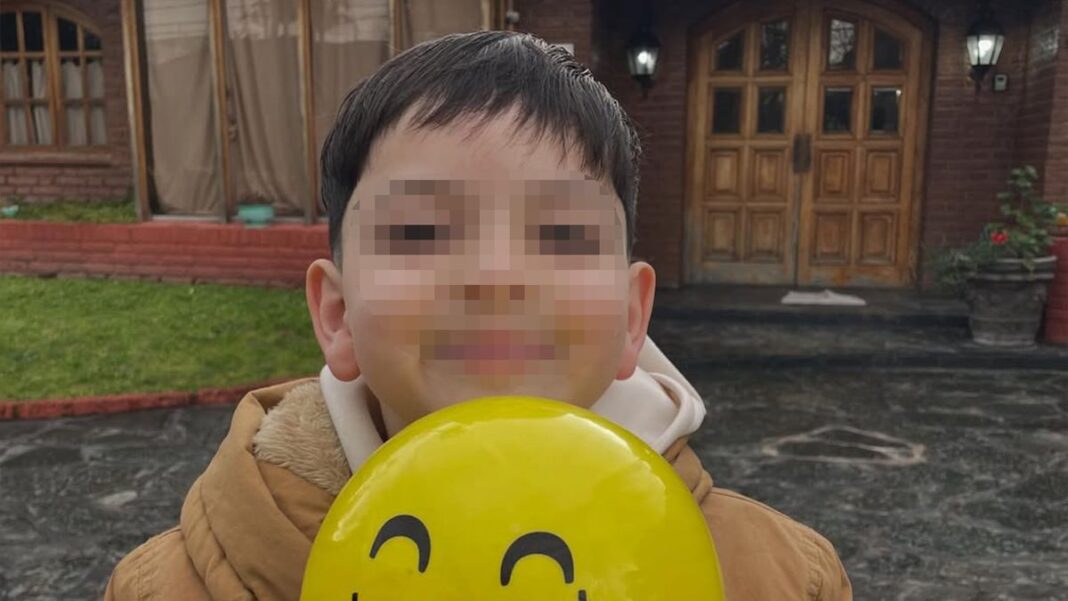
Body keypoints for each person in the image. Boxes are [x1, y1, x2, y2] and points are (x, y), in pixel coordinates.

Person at [105, 31, 852, 600]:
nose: (497, 278)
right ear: (337, 315)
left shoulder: (778, 575)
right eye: (421, 232)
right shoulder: (170, 585)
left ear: (632, 317)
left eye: (561, 235)